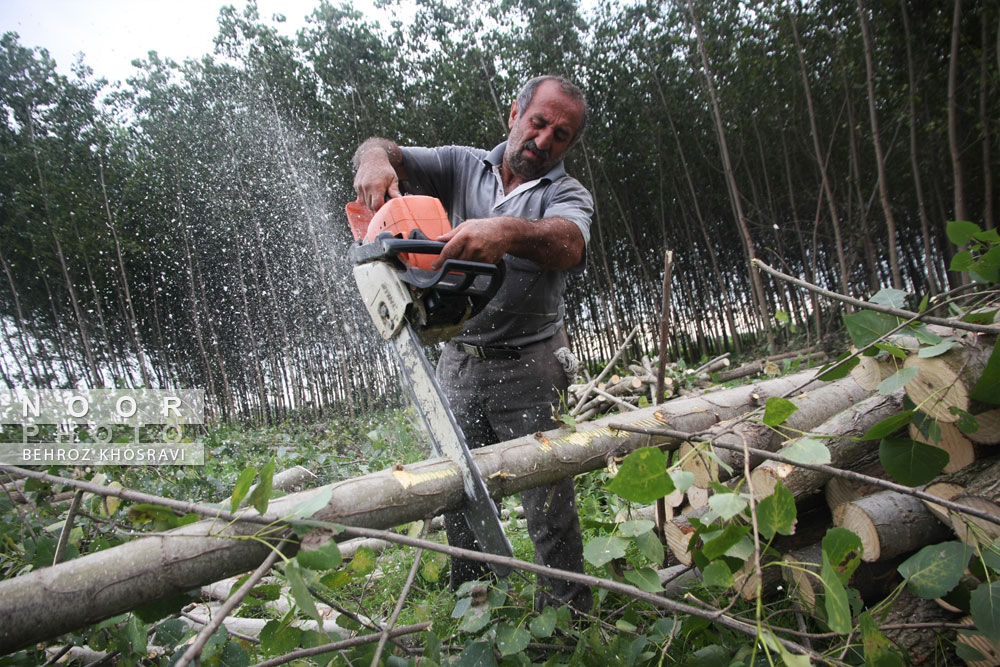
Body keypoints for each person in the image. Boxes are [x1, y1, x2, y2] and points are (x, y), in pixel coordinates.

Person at [351, 75, 593, 613]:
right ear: (514, 114)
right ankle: (475, 602)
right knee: (458, 490)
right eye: (539, 122)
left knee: (546, 497)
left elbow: (570, 243)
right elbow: (385, 150)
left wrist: (505, 232)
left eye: (561, 134)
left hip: (531, 363)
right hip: (458, 356)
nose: (545, 139)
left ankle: (568, 616)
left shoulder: (566, 194)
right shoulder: (461, 164)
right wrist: (373, 160)